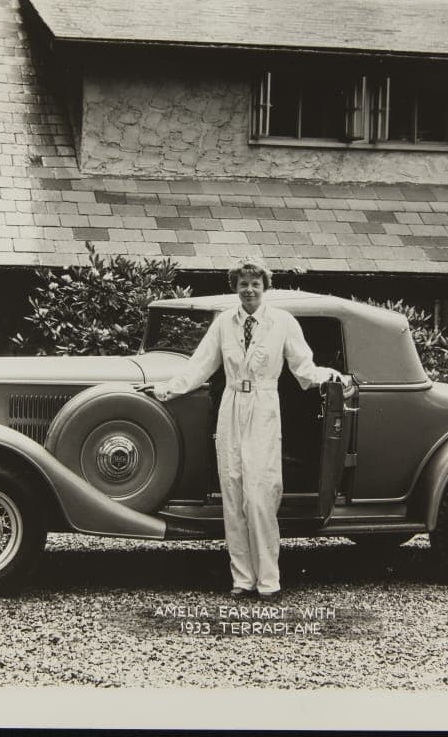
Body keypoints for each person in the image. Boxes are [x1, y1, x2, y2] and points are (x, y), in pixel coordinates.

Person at [150, 258, 350, 601]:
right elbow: (201, 364)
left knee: (260, 496)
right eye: (243, 284)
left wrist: (329, 377)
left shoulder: (282, 322)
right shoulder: (224, 323)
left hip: (264, 408)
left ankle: (269, 581)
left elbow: (303, 369)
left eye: (255, 284)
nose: (249, 290)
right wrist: (168, 388)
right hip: (231, 408)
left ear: (265, 287)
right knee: (234, 493)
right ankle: (242, 579)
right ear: (235, 288)